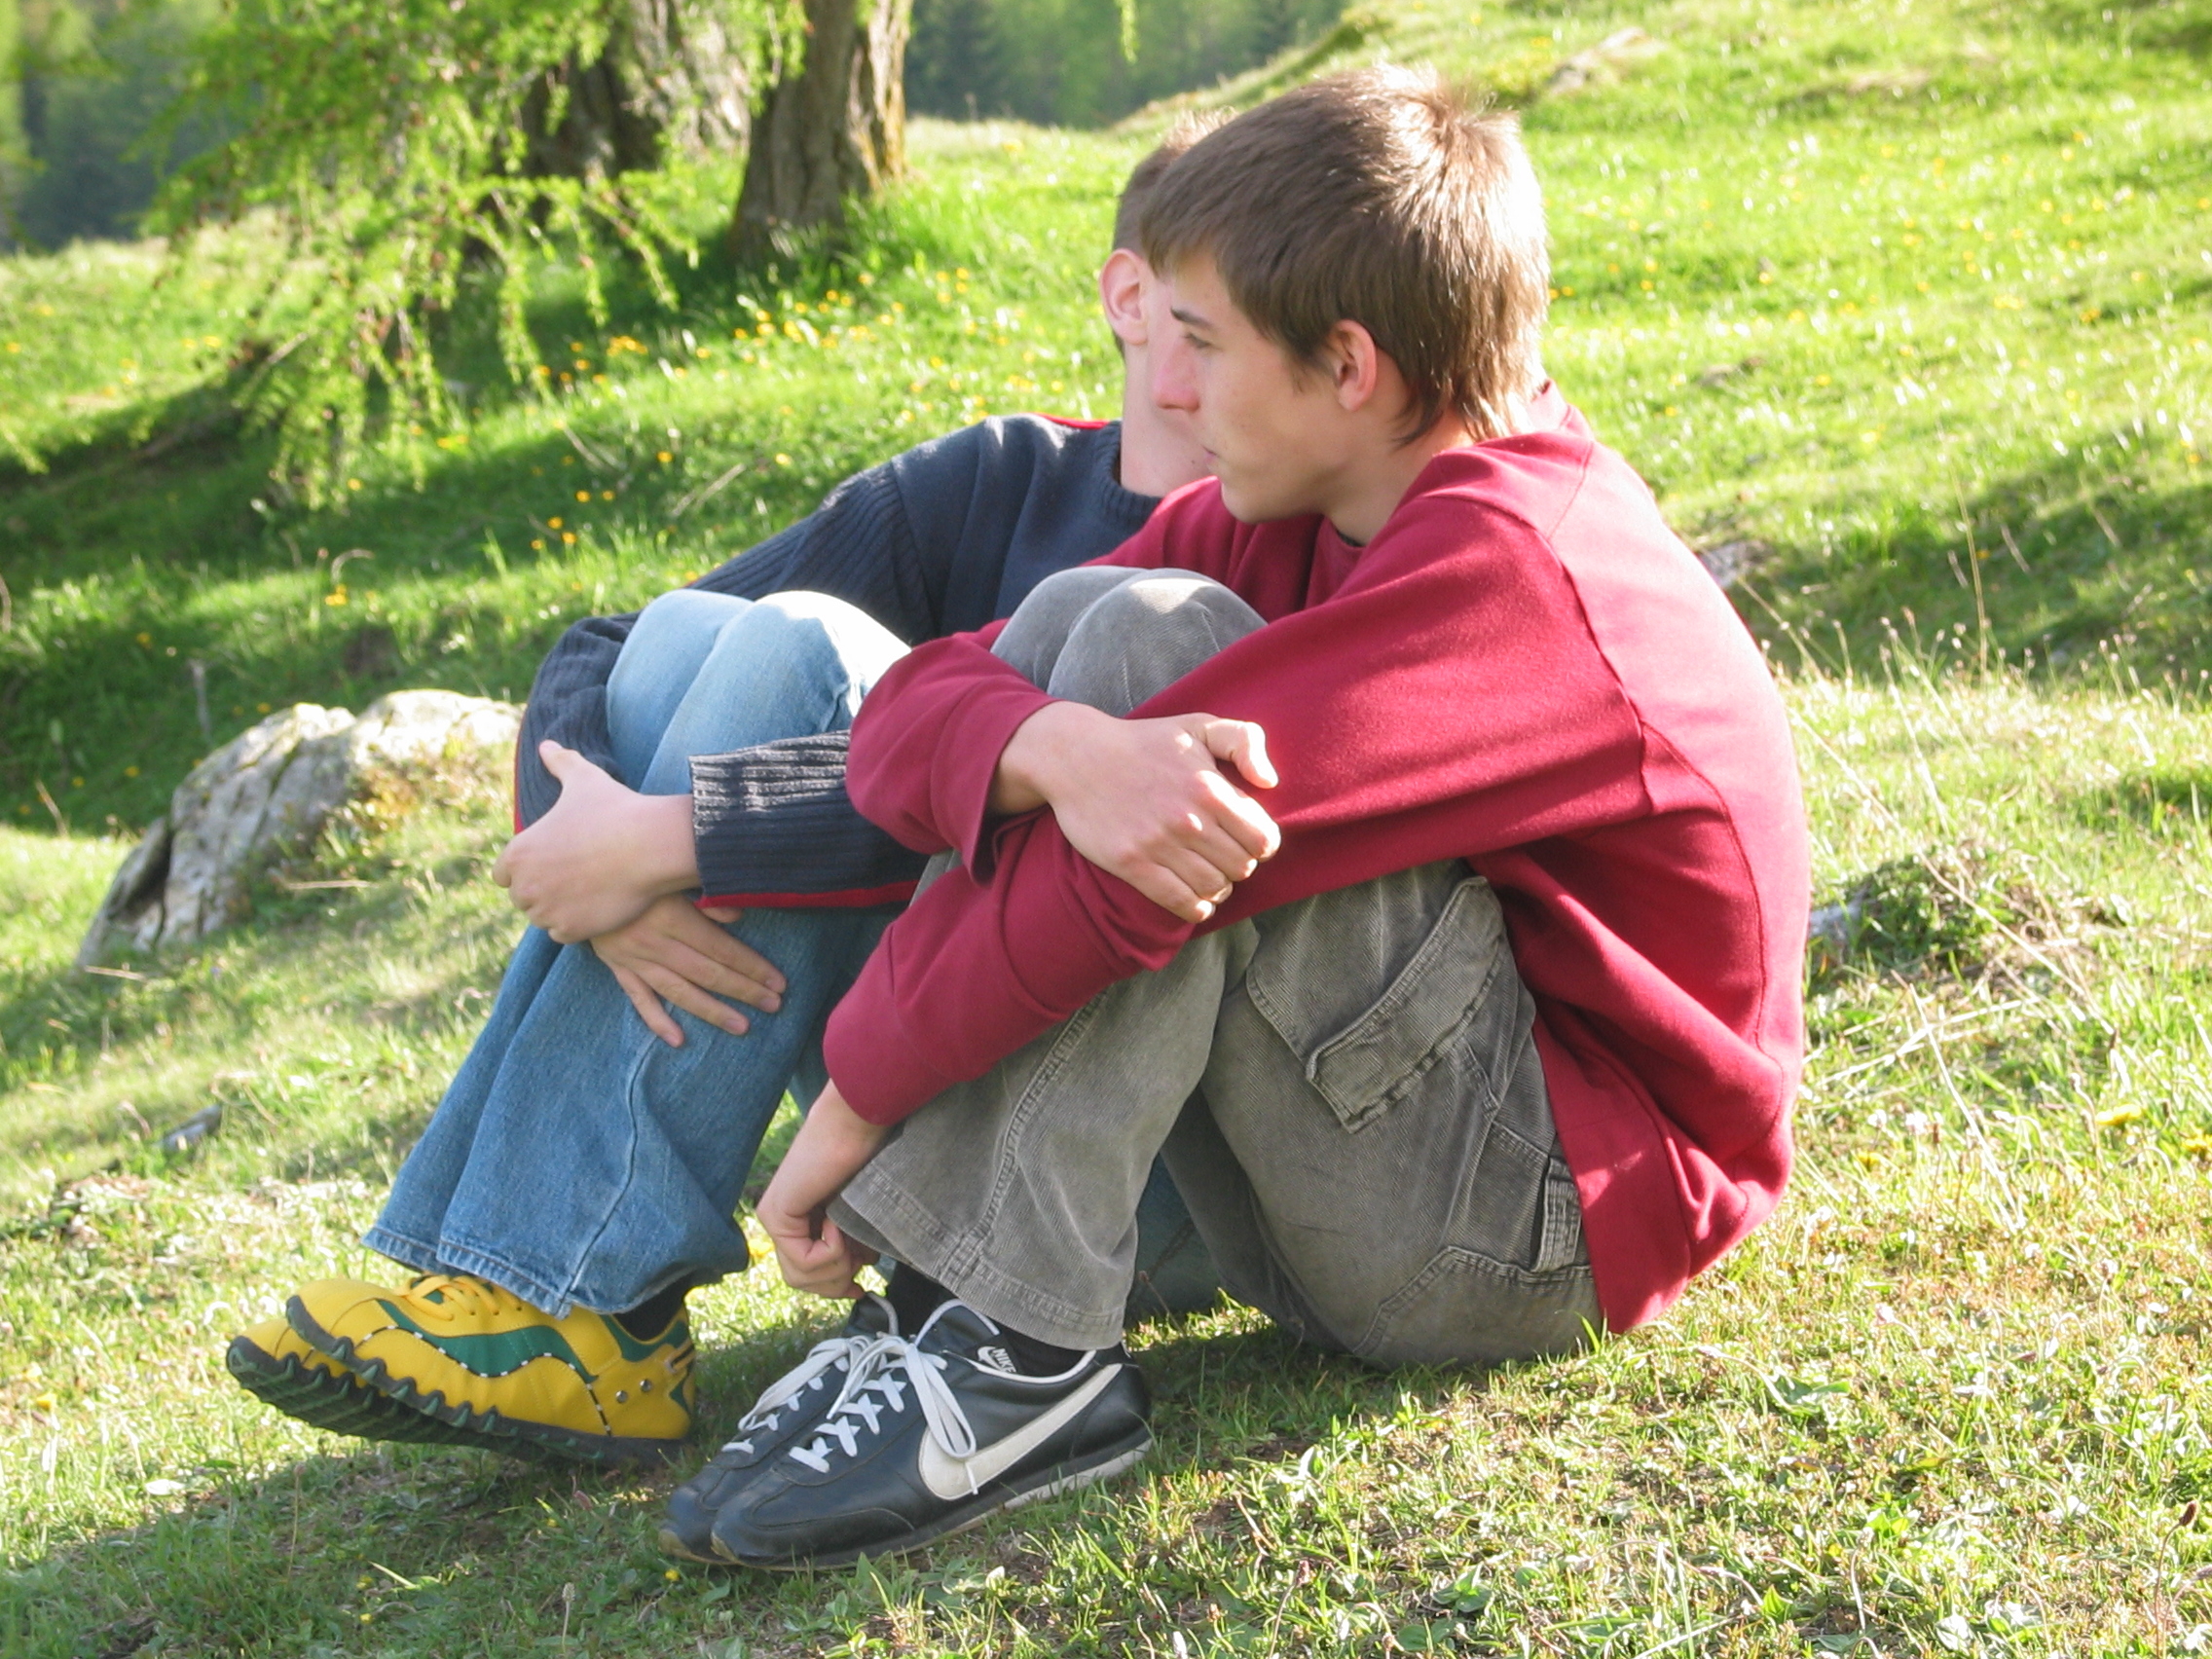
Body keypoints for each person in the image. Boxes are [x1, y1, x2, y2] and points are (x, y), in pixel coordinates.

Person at [671, 66, 1811, 1570]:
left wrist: (850, 1113)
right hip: (1362, 1188)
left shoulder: (1525, 570)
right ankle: (963, 1317)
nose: (1172, 389)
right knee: (1095, 632)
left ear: (1349, 367)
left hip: (1537, 1233)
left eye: (1204, 343)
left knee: (1158, 676)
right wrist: (1049, 743)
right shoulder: (1295, 510)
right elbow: (913, 713)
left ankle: (1015, 1351)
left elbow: (1136, 876)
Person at [223, 120, 1229, 1500]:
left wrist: (670, 843)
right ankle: (545, 1289)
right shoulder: (1004, 479)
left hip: (1105, 1170)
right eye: (1216, 316)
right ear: (1129, 298)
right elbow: (602, 646)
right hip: (913, 1072)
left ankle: (578, 1298)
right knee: (701, 637)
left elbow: (1047, 839)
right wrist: (600, 869)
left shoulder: (1269, 544)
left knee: (811, 651)